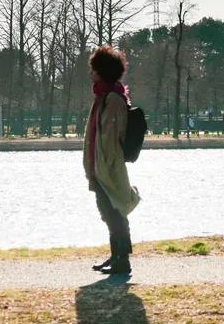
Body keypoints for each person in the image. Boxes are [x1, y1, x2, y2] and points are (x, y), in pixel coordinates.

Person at [83, 44, 141, 276]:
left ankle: (122, 259)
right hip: (99, 166)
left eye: (94, 70)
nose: (91, 74)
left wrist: (101, 169)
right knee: (108, 211)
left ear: (103, 72)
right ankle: (116, 255)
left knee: (115, 210)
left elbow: (110, 140)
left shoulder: (113, 100)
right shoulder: (103, 97)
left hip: (107, 166)